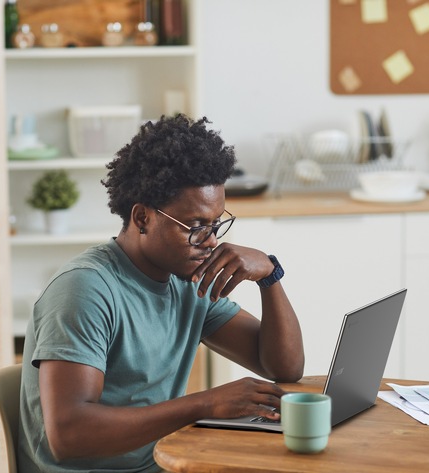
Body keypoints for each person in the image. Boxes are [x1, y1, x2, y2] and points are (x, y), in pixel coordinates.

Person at [18, 115, 305, 473]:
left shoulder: (187, 281)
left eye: (216, 224)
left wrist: (270, 276)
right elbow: (69, 436)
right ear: (142, 219)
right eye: (196, 226)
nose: (211, 241)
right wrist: (204, 404)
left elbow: (283, 367)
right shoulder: (85, 289)